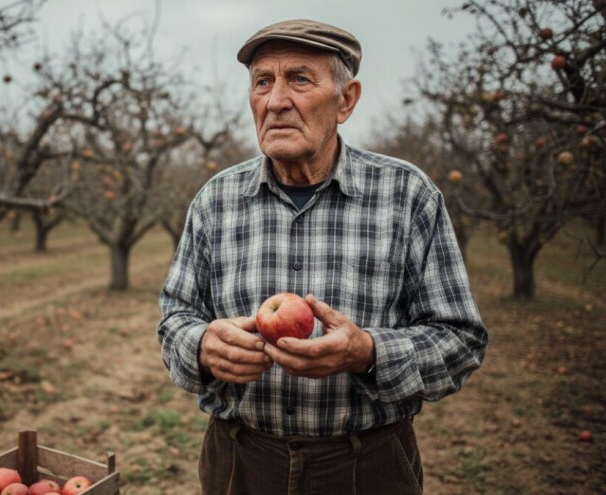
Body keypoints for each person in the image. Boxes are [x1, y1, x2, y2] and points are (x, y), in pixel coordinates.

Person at [157, 19, 488, 494]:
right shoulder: (216, 199)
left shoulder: (406, 195)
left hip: (367, 465)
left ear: (346, 100)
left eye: (300, 79)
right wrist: (201, 347)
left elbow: (461, 339)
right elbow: (175, 317)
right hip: (239, 462)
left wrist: (368, 354)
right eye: (263, 82)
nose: (276, 101)